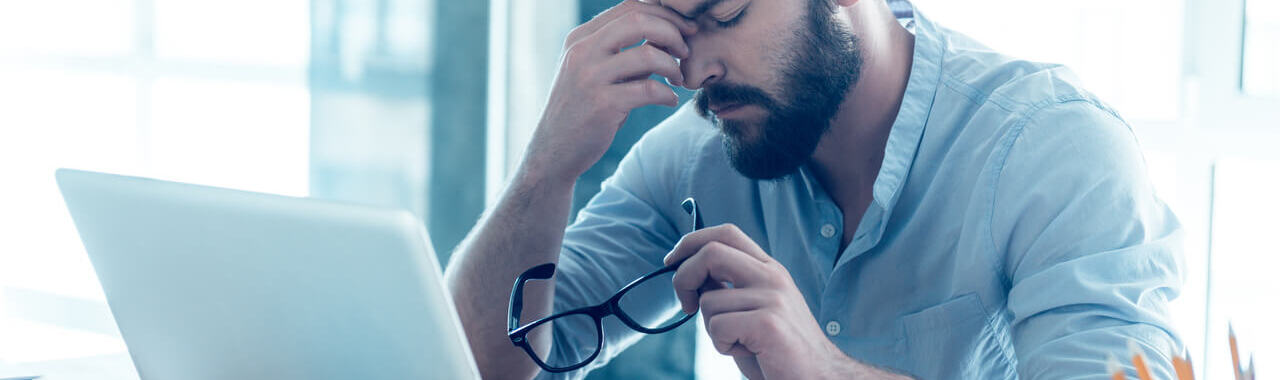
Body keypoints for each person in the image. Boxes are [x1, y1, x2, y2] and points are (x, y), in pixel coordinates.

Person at [445, 0, 1185, 378]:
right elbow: (487, 368)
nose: (695, 69)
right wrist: (547, 167)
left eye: (723, 15)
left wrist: (830, 371)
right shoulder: (693, 158)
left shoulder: (1054, 151)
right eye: (673, 30)